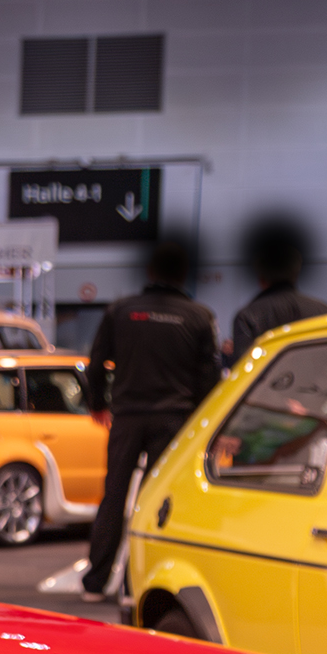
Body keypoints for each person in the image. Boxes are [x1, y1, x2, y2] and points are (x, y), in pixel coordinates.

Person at [83, 239, 220, 602]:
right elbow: (210, 381)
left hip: (127, 417)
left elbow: (96, 365)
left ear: (149, 271)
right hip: (175, 423)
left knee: (114, 495)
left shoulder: (120, 311)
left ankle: (95, 583)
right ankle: (135, 584)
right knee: (155, 502)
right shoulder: (199, 316)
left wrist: (98, 404)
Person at [229, 219, 327, 356]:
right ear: (296, 274)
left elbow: (244, 366)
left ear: (261, 278)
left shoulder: (248, 316)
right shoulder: (325, 312)